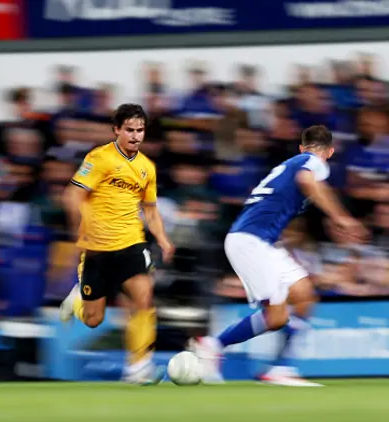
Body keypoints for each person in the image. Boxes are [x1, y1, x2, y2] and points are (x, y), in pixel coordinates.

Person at [191, 125, 368, 386]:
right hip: (251, 242)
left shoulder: (291, 163)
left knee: (305, 295)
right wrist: (342, 218)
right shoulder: (312, 162)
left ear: (300, 146)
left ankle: (281, 367)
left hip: (258, 242)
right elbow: (307, 181)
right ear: (329, 152)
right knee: (277, 317)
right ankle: (213, 345)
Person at [59, 103, 174, 385]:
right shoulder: (99, 158)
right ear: (116, 130)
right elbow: (72, 195)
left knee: (143, 299)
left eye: (140, 130)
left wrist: (161, 237)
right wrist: (79, 224)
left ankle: (138, 368)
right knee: (93, 319)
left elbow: (150, 209)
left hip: (132, 243)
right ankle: (77, 301)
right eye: (129, 130)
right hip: (97, 248)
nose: (135, 136)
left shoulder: (147, 168)